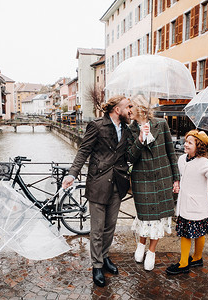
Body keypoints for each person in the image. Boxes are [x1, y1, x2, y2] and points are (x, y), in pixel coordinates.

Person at [62, 95, 132, 288]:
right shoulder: (97, 125)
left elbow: (130, 155)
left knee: (110, 226)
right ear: (117, 110)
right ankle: (97, 265)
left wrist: (142, 138)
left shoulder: (127, 129)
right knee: (98, 228)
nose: (130, 110)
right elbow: (83, 151)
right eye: (128, 107)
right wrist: (72, 174)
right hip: (99, 183)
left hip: (118, 183)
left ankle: (105, 256)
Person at [127, 94, 179, 271]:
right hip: (141, 179)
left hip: (162, 178)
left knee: (158, 218)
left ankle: (151, 251)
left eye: (131, 107)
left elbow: (171, 153)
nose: (128, 111)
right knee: (144, 217)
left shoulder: (161, 124)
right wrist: (140, 139)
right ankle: (141, 244)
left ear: (140, 108)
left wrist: (176, 178)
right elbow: (130, 157)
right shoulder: (130, 130)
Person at [166, 130, 208, 275]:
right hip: (184, 203)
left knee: (193, 234)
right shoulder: (181, 159)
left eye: (190, 143)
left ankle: (184, 263)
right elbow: (180, 176)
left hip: (196, 205)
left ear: (198, 146)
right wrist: (177, 183)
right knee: (188, 233)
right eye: (186, 141)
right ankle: (196, 259)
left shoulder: (203, 162)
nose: (185, 145)